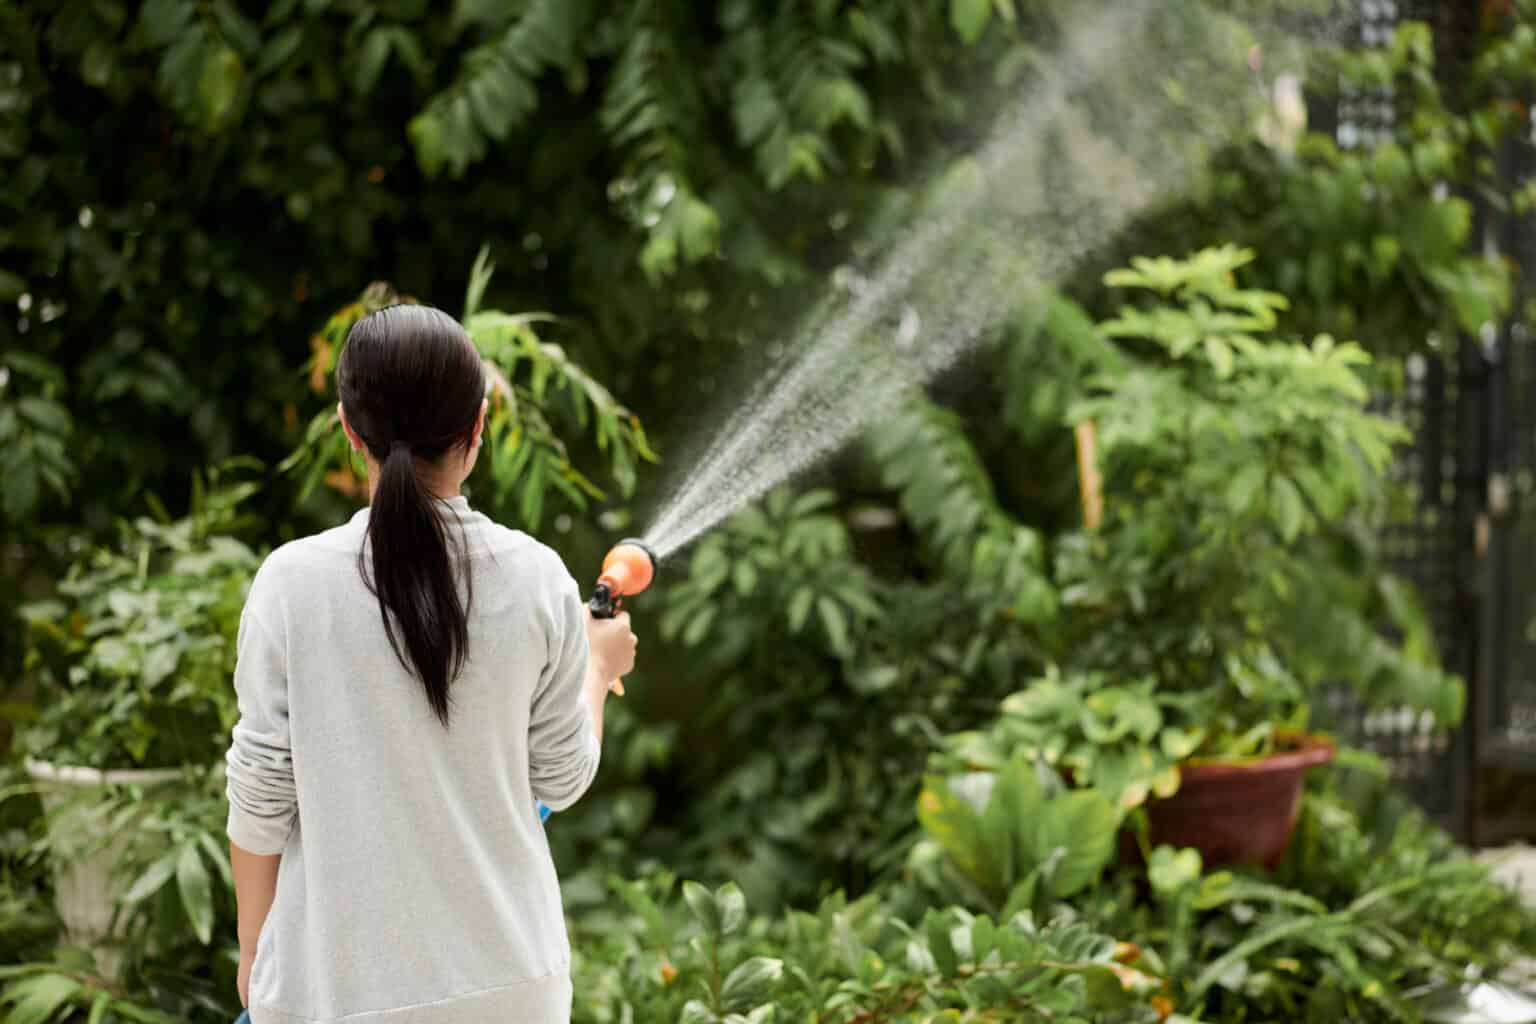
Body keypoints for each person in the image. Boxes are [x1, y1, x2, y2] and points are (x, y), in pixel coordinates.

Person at [224, 305, 637, 1023]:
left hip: (336, 993)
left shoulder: (290, 585)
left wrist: (254, 948)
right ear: (478, 426)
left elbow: (260, 801)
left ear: (351, 433)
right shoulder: (538, 579)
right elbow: (561, 780)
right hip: (515, 990)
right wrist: (599, 672)